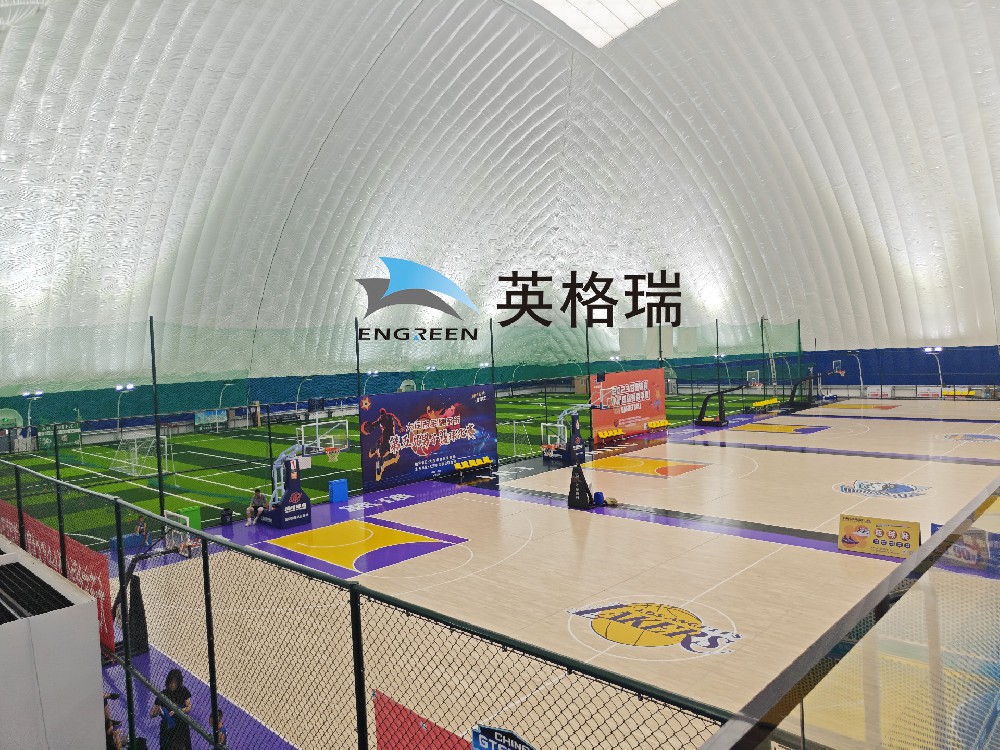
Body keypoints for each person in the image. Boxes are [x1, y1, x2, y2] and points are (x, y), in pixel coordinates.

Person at [150, 669, 192, 750]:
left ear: (178, 683)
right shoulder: (162, 694)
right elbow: (151, 714)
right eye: (171, 682)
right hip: (167, 729)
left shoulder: (183, 691)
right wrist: (156, 712)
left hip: (181, 727)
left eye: (175, 682)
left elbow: (188, 707)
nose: (172, 685)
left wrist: (178, 711)